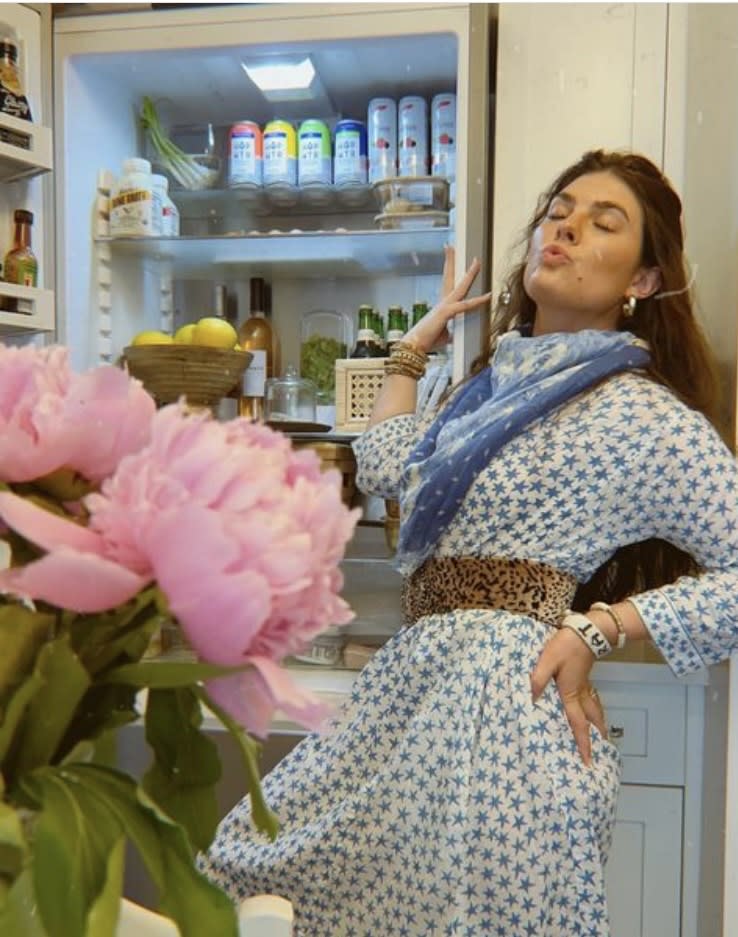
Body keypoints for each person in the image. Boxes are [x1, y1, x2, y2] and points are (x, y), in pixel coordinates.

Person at [199, 150, 738, 936]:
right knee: (256, 860)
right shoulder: (483, 391)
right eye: (560, 208)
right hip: (412, 692)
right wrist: (418, 345)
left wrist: (601, 626)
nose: (567, 224)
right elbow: (385, 461)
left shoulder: (639, 414)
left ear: (643, 281)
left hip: (506, 718)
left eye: (603, 221)